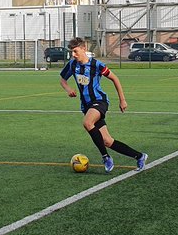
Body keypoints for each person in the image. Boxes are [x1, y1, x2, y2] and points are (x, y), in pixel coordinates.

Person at [58, 37, 148, 174]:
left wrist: (122, 100)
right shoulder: (72, 65)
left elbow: (115, 78)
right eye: (72, 52)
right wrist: (68, 89)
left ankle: (106, 157)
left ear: (84, 49)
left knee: (88, 123)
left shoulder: (96, 65)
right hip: (86, 106)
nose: (73, 55)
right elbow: (63, 79)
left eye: (75, 52)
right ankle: (140, 156)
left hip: (100, 101)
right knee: (107, 141)